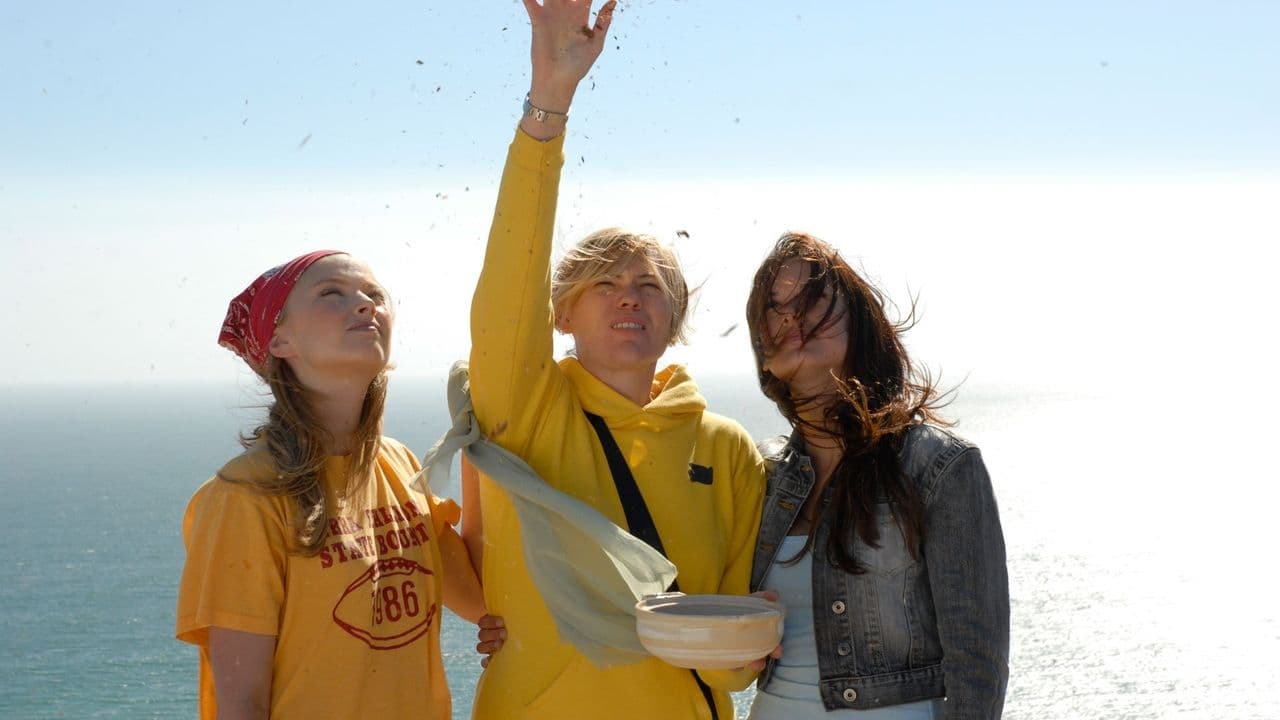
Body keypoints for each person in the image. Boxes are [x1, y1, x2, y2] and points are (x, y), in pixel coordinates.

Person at [464, 1, 768, 718]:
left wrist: (742, 645)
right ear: (560, 314)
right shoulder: (525, 413)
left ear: (675, 318)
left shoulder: (726, 448)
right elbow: (509, 284)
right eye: (604, 283)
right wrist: (550, 103)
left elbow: (735, 665)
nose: (628, 295)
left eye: (649, 285)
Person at [175, 250, 485, 720]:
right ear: (280, 341)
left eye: (374, 294)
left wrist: (480, 441)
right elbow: (242, 705)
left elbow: (480, 599)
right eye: (331, 294)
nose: (365, 304)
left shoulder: (399, 465)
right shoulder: (244, 496)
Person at [744, 232, 1009, 719]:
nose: (792, 317)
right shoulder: (759, 472)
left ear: (860, 322)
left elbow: (977, 664)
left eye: (812, 299)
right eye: (774, 308)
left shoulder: (939, 466)